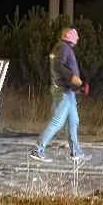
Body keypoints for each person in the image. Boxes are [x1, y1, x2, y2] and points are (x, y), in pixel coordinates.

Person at [30, 27, 91, 163]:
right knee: (57, 121)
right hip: (63, 91)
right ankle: (38, 150)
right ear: (68, 35)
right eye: (76, 35)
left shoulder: (63, 48)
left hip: (67, 91)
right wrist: (72, 78)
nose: (78, 37)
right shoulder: (63, 47)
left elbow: (60, 68)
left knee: (73, 121)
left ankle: (75, 152)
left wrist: (75, 87)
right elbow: (58, 66)